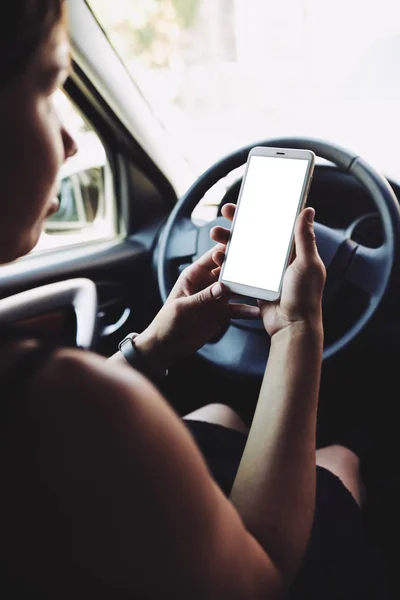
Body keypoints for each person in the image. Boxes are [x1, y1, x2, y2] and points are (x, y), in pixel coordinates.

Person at [0, 2, 391, 598]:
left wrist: (154, 343)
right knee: (339, 459)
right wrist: (297, 331)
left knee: (221, 416)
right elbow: (261, 572)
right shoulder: (66, 405)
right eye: (50, 89)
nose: (69, 141)